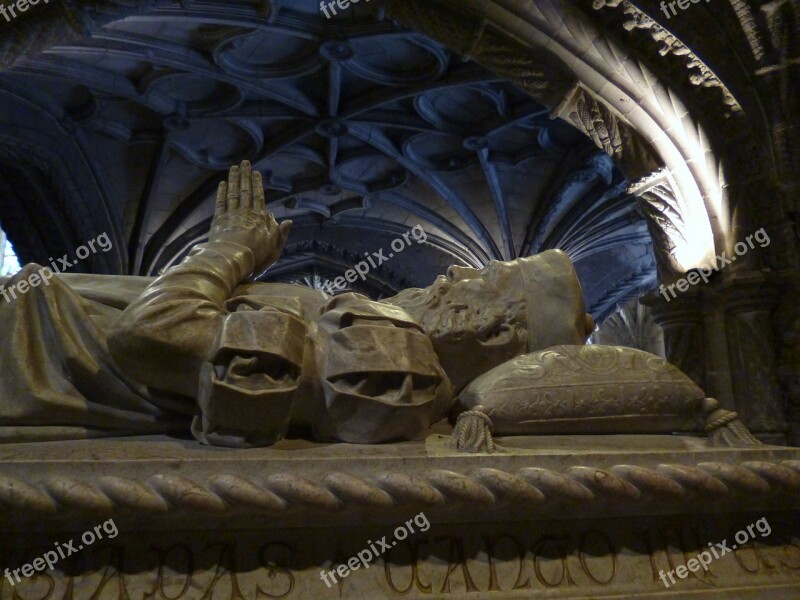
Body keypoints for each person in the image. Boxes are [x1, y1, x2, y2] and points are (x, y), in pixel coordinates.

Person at [0, 162, 592, 447]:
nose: (459, 271)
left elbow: (152, 333)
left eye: (486, 278)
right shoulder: (387, 333)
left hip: (34, 359)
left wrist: (231, 248)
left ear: (490, 333)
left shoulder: (392, 365)